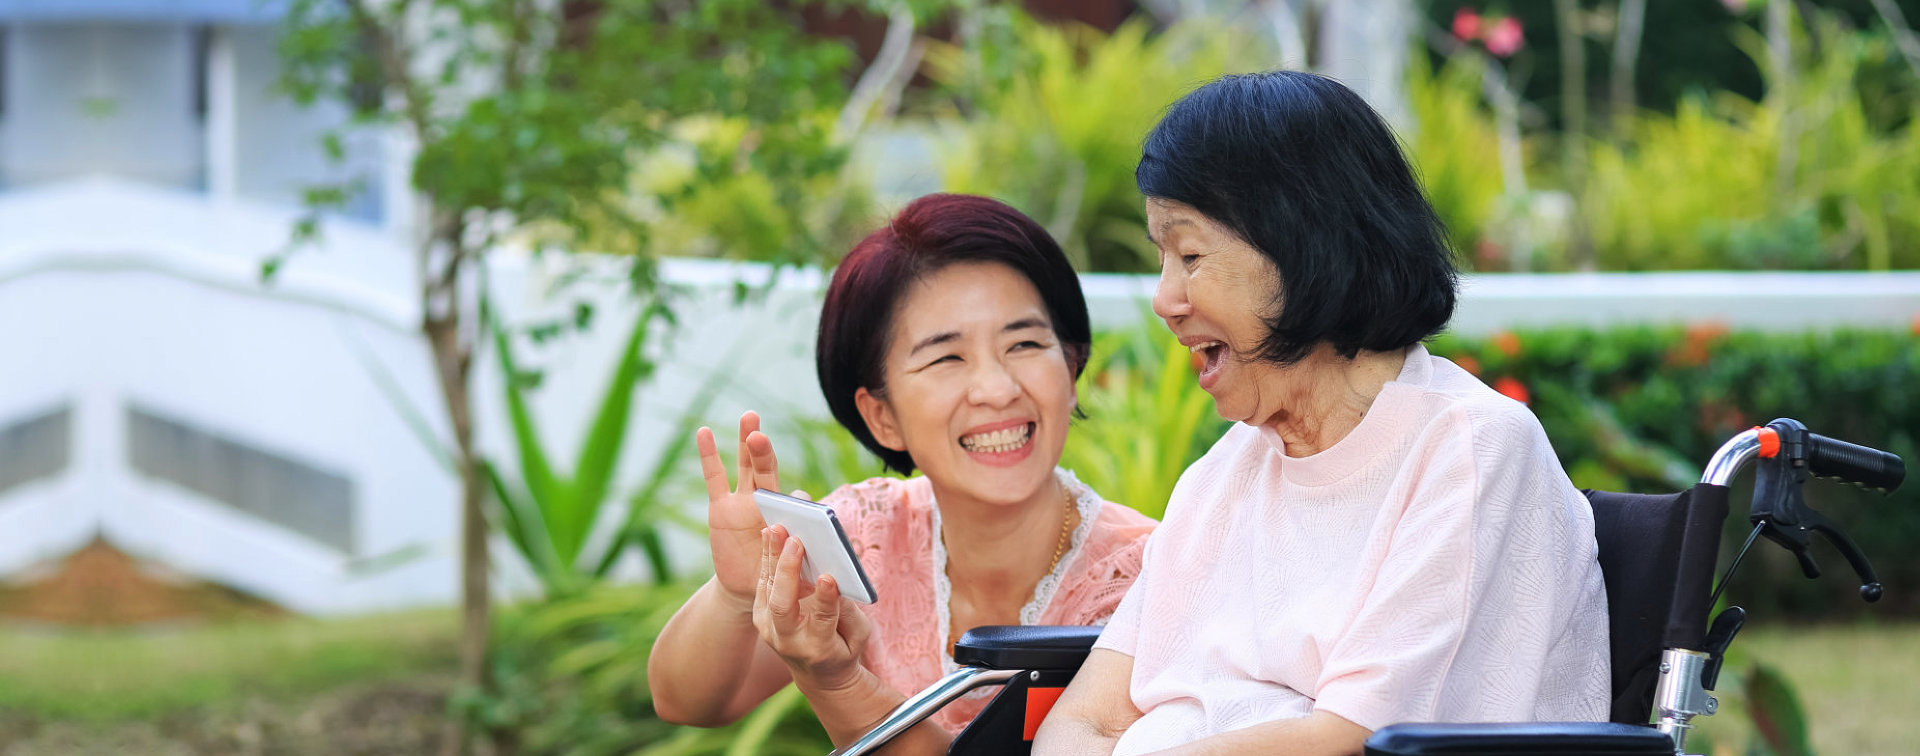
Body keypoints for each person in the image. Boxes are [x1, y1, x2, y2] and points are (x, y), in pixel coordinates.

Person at [1033, 71, 1610, 756]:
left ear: (1305, 248)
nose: (1165, 299)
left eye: (1189, 254)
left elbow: (1349, 738)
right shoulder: (1228, 473)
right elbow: (1084, 721)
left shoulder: (1469, 449)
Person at [649, 193, 1157, 752]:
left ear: (1071, 365)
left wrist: (836, 682)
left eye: (1025, 343)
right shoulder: (863, 534)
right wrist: (736, 593)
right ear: (882, 416)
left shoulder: (1150, 576)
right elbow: (687, 702)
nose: (997, 389)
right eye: (946, 357)